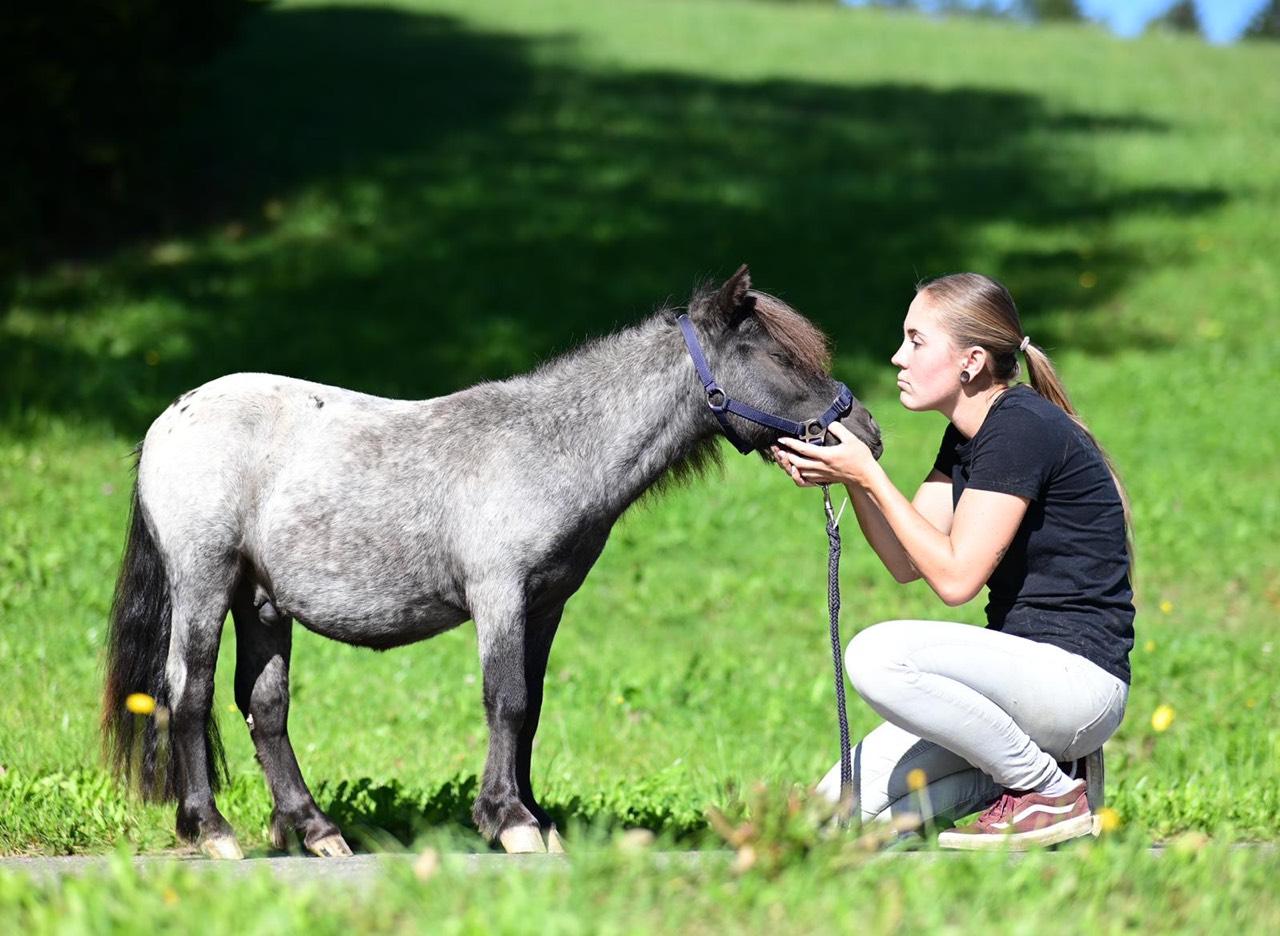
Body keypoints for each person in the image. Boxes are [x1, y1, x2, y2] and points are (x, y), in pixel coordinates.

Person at [773, 273, 1134, 850]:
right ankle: (1045, 780)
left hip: (1074, 686)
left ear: (969, 361)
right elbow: (904, 560)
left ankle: (1044, 789)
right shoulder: (968, 437)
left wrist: (867, 472)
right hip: (1022, 694)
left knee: (877, 655)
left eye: (916, 341)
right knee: (829, 821)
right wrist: (853, 480)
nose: (898, 357)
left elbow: (956, 578)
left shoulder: (1019, 428)